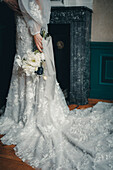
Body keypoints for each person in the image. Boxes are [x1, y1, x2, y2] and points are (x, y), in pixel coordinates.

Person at [0, 1, 113, 169]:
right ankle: (22, 111)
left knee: (33, 66)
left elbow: (35, 3)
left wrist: (36, 31)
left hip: (31, 27)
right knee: (24, 66)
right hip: (24, 24)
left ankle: (34, 112)